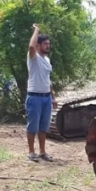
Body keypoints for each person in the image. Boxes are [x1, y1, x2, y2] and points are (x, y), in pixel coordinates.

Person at [26, 24, 55, 162]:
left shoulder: (47, 60)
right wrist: (36, 30)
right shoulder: (33, 57)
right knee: (33, 126)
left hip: (46, 97)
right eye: (45, 44)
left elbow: (48, 80)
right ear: (38, 45)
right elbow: (31, 47)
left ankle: (42, 152)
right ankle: (31, 152)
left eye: (48, 44)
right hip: (34, 97)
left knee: (43, 126)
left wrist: (52, 97)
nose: (48, 46)